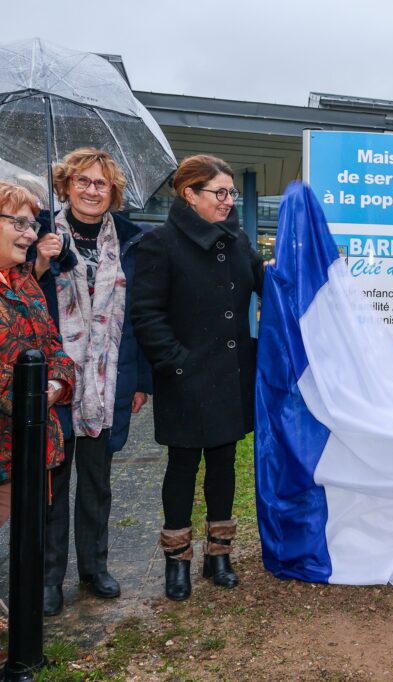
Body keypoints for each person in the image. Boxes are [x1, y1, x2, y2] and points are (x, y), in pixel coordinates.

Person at [131, 155, 265, 601]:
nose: (228, 201)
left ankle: (219, 554)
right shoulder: (160, 243)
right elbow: (146, 315)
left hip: (229, 375)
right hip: (186, 377)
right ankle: (177, 560)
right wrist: (177, 364)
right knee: (183, 467)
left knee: (224, 465)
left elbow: (266, 282)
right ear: (189, 194)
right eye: (220, 193)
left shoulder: (237, 239)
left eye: (232, 193)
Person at [37, 148, 152, 617]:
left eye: (100, 184)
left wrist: (142, 379)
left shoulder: (132, 241)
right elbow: (20, 297)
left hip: (107, 381)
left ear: (113, 192)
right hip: (53, 379)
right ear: (65, 186)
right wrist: (41, 264)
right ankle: (48, 578)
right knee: (53, 482)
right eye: (82, 181)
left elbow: (140, 317)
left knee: (97, 482)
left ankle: (94, 567)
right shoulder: (37, 231)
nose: (91, 190)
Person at [0, 181, 75, 527]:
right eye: (17, 222)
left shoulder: (26, 282)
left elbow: (55, 350)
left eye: (31, 224)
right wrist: (29, 392)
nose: (29, 234)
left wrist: (57, 386)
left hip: (27, 448)